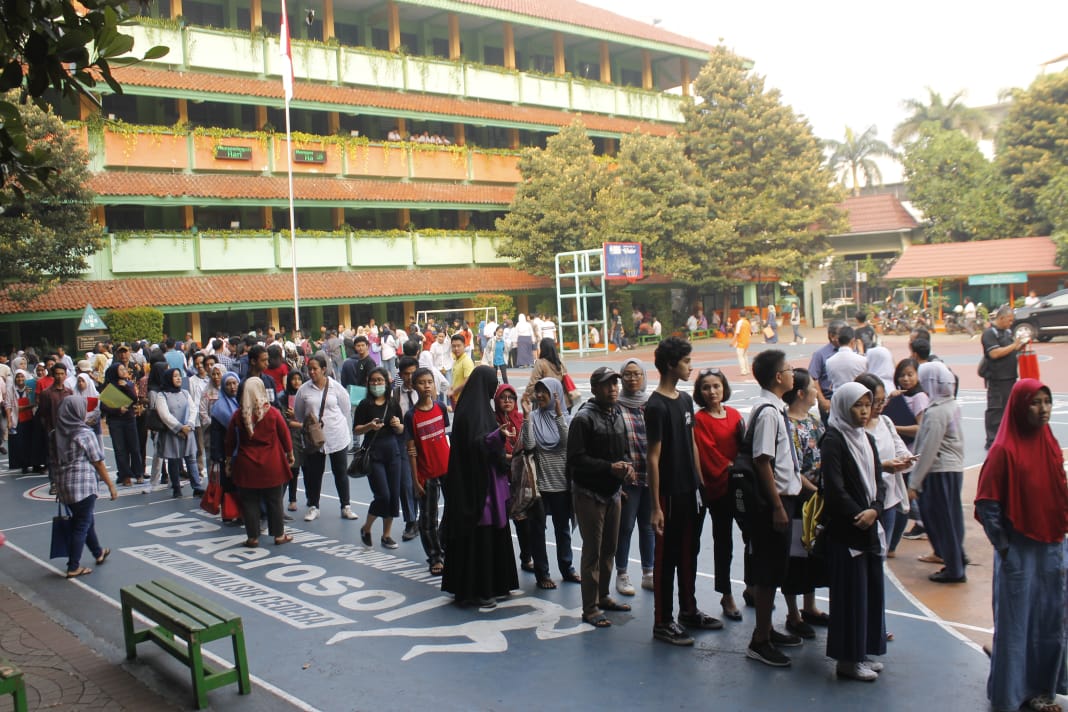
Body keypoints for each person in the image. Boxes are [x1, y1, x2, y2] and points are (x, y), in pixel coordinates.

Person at [975, 379, 1068, 712]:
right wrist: (1005, 548)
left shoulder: (1050, 443)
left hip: (1053, 548)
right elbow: (987, 505)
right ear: (1018, 406)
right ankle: (1012, 693)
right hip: (1020, 551)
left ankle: (1045, 688)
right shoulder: (1004, 451)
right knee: (1017, 624)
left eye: (1047, 401)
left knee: (1051, 619)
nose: (1043, 409)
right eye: (1034, 403)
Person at [647, 337, 721, 646]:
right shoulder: (655, 406)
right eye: (687, 362)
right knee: (666, 559)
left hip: (690, 491)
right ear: (670, 365)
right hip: (668, 495)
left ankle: (688, 610)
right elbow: (653, 457)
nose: (691, 367)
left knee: (689, 553)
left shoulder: (685, 400)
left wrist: (700, 483)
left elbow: (690, 444)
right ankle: (663, 621)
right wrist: (655, 506)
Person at [820, 382, 887, 682]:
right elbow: (834, 488)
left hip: (868, 526)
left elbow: (879, 481)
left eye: (866, 404)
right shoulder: (833, 439)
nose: (863, 411)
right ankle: (847, 660)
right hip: (848, 530)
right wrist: (860, 513)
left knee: (869, 591)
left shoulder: (866, 439)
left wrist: (876, 508)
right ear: (844, 406)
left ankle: (863, 651)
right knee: (850, 594)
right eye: (857, 405)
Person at [440, 366, 519, 608]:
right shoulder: (473, 413)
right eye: (492, 381)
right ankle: (482, 589)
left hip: (486, 481)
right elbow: (476, 445)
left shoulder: (477, 408)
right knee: (482, 532)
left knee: (493, 529)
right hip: (478, 487)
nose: (495, 386)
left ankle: (494, 585)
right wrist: (497, 437)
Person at [745, 349, 804, 666]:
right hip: (773, 502)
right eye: (789, 368)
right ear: (778, 377)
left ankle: (765, 628)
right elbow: (762, 461)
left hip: (781, 499)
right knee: (768, 572)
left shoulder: (774, 408)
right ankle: (760, 640)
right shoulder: (768, 412)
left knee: (775, 569)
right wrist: (778, 506)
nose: (794, 373)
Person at [567, 366, 635, 628]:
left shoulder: (617, 413)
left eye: (615, 384)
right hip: (589, 494)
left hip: (613, 492)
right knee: (593, 551)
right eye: (607, 385)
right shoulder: (584, 419)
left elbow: (624, 451)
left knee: (610, 548)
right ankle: (590, 607)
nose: (614, 389)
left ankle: (604, 595)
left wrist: (626, 467)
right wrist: (609, 468)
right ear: (595, 388)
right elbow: (575, 459)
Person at [692, 367, 744, 621]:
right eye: (706, 387)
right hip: (720, 490)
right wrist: (734, 468)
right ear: (699, 392)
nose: (712, 391)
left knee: (752, 538)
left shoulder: (734, 415)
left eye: (716, 386)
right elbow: (708, 454)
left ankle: (754, 587)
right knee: (724, 543)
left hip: (742, 489)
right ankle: (726, 593)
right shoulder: (700, 420)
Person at [782, 368, 829, 638]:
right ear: (800, 393)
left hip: (816, 497)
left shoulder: (813, 420)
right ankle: (793, 613)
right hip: (801, 500)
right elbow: (793, 468)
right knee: (795, 555)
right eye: (812, 388)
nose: (816, 392)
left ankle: (810, 606)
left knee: (811, 553)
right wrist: (815, 492)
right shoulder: (787, 425)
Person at [910, 361, 967, 583]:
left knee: (942, 519)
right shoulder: (950, 404)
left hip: (940, 471)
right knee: (950, 518)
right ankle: (956, 559)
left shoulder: (936, 413)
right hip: (951, 468)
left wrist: (914, 482)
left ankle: (954, 567)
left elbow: (929, 448)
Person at [521, 377, 578, 589]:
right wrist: (526, 417)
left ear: (556, 394)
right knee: (538, 531)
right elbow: (528, 446)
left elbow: (566, 443)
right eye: (538, 392)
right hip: (540, 487)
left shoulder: (567, 419)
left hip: (562, 486)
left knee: (563, 530)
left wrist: (559, 415)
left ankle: (567, 568)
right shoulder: (533, 418)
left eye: (545, 391)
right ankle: (542, 574)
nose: (540, 396)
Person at [53, 396, 118, 578]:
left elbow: (53, 462)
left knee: (85, 519)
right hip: (83, 484)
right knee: (81, 524)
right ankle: (73, 566)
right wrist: (111, 486)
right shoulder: (85, 434)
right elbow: (98, 462)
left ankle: (98, 552)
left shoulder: (55, 434)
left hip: (65, 485)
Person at [225, 377, 294, 548]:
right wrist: (290, 454)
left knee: (249, 502)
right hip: (272, 464)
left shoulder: (239, 415)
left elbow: (230, 441)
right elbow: (285, 435)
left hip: (247, 465)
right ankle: (278, 535)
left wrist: (228, 461)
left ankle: (253, 538)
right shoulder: (272, 413)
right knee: (275, 501)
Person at [294, 354, 359, 522]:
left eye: (315, 369)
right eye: (309, 369)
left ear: (324, 370)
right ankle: (313, 506)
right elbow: (299, 413)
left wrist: (338, 427)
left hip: (337, 436)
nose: (311, 372)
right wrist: (312, 428)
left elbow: (345, 410)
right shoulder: (304, 390)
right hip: (315, 440)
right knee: (314, 473)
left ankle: (346, 506)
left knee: (340, 472)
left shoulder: (336, 388)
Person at [854, 373, 913, 559]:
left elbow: (900, 448)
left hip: (887, 500)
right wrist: (882, 466)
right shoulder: (854, 431)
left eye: (883, 400)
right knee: (863, 557)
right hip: (863, 503)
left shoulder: (885, 422)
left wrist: (905, 460)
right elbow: (853, 465)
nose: (880, 406)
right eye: (876, 402)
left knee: (881, 556)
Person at [615, 358, 655, 596]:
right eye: (627, 374)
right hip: (627, 478)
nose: (632, 378)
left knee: (648, 527)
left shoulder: (651, 404)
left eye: (636, 374)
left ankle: (648, 573)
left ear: (644, 376)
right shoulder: (616, 405)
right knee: (625, 526)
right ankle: (622, 573)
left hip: (651, 475)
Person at [405, 368, 450, 576]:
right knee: (429, 517)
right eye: (422, 382)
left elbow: (445, 438)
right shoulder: (411, 416)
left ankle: (444, 542)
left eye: (430, 382)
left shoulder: (441, 407)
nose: (427, 386)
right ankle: (434, 556)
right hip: (427, 473)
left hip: (447, 469)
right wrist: (415, 479)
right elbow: (411, 450)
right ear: (414, 386)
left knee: (453, 509)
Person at [355, 367, 405, 548]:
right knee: (382, 495)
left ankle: (386, 535)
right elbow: (356, 429)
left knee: (393, 496)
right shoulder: (364, 404)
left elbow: (401, 430)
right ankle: (366, 528)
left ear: (386, 382)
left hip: (393, 453)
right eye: (373, 381)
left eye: (380, 380)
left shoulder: (393, 403)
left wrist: (398, 425)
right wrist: (369, 426)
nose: (376, 384)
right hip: (373, 453)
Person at [981, 305, 1028, 450]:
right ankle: (992, 440)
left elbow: (1011, 350)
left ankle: (1007, 436)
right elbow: (994, 353)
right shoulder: (990, 333)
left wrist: (1019, 345)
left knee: (1009, 408)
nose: (1011, 323)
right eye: (1009, 320)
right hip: (997, 379)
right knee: (996, 409)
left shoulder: (1007, 332)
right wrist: (1014, 346)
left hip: (1010, 377)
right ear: (1000, 318)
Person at [154, 368, 205, 498]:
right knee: (173, 460)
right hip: (172, 433)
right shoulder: (162, 396)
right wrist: (179, 428)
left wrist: (189, 425)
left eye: (179, 376)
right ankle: (176, 487)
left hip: (188, 431)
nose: (178, 378)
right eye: (175, 376)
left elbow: (193, 409)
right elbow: (165, 415)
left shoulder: (185, 393)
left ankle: (197, 487)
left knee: (191, 459)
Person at [100, 362, 143, 486]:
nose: (124, 371)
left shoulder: (128, 384)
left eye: (124, 369)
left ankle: (138, 473)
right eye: (121, 369)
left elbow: (134, 398)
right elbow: (104, 406)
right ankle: (125, 475)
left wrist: (127, 387)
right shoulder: (108, 386)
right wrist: (117, 410)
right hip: (115, 421)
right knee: (120, 449)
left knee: (134, 447)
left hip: (129, 419)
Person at [281, 371, 305, 513]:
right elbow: (285, 421)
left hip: (305, 436)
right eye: (293, 379)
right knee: (291, 468)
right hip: (290, 436)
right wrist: (300, 423)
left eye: (299, 379)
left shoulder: (305, 396)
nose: (296, 382)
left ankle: (310, 501)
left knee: (304, 470)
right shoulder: (284, 398)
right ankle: (291, 500)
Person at [5, 370, 34, 473]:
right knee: (19, 443)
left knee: (29, 442)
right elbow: (8, 405)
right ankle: (23, 464)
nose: (20, 379)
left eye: (22, 377)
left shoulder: (30, 388)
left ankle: (32, 463)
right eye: (18, 377)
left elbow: (34, 402)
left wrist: (27, 405)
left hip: (29, 418)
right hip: (17, 419)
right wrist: (9, 420)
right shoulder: (11, 389)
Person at [826, 326, 868, 391]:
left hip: (838, 397)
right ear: (852, 341)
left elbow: (832, 381)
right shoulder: (863, 360)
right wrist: (861, 353)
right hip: (857, 395)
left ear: (838, 341)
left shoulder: (829, 361)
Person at [732, 311, 752, 376]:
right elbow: (750, 333)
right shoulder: (747, 322)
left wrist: (733, 342)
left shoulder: (739, 322)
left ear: (739, 315)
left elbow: (737, 333)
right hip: (747, 341)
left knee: (740, 357)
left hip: (741, 342)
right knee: (745, 356)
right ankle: (747, 370)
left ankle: (743, 371)